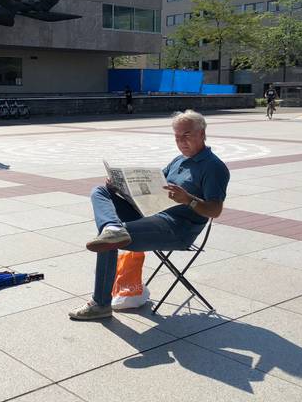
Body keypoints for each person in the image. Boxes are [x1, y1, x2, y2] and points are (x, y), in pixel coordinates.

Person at [68, 110, 230, 320]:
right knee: (101, 191)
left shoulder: (214, 167)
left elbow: (215, 211)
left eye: (186, 135)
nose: (181, 141)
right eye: (176, 136)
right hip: (153, 212)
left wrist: (188, 199)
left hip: (177, 227)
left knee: (108, 240)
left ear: (202, 133)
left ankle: (100, 303)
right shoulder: (179, 160)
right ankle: (112, 226)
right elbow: (155, 185)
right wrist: (121, 187)